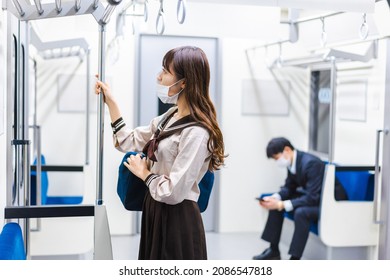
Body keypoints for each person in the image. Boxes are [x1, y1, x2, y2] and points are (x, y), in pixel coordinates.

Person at [95, 46, 226, 260]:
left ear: (183, 82)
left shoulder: (197, 132)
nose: (159, 76)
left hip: (178, 218)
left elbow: (173, 192)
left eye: (165, 71)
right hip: (155, 209)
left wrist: (144, 173)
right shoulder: (170, 116)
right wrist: (112, 102)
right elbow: (127, 140)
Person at [253, 137, 325, 260]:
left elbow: (313, 197)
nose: (277, 162)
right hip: (311, 197)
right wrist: (276, 198)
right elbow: (289, 187)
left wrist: (282, 204)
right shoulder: (293, 163)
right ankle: (274, 250)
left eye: (277, 158)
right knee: (275, 205)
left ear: (286, 150)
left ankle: (295, 258)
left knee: (301, 213)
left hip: (326, 204)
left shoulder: (310, 163)